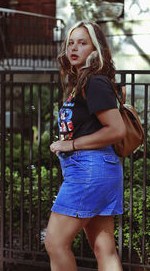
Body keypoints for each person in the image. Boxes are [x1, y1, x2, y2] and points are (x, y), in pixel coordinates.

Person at [45, 20, 126, 271]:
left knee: (55, 242)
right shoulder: (82, 82)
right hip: (100, 170)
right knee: (104, 248)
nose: (74, 48)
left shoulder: (94, 82)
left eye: (82, 43)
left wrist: (72, 144)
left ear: (96, 49)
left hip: (89, 170)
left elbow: (116, 129)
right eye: (71, 43)